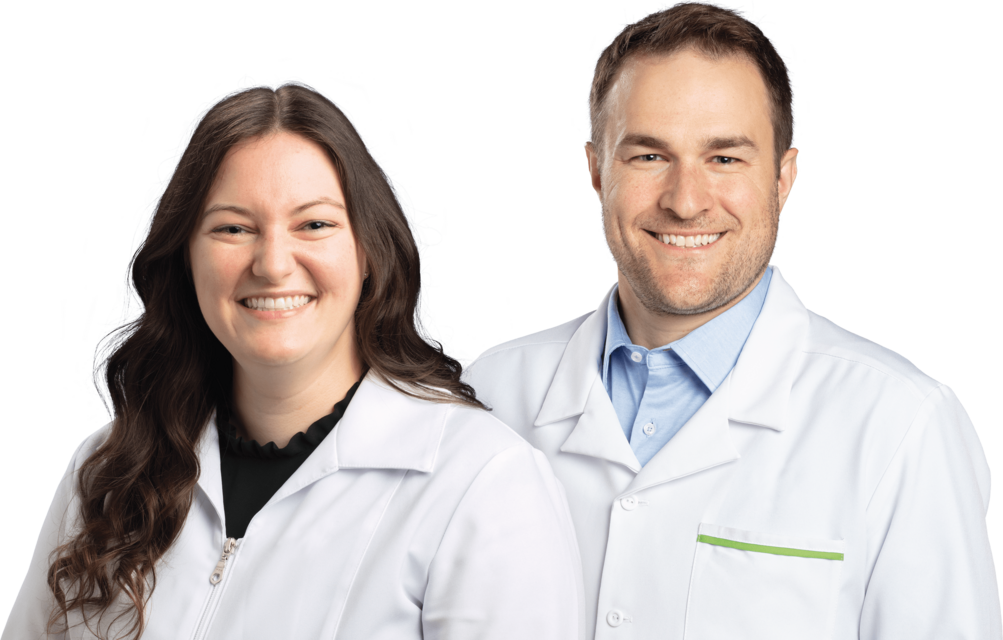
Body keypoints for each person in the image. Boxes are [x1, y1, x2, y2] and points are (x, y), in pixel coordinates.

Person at [459, 2, 1000, 638]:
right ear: (596, 171)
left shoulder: (901, 424)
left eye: (725, 159)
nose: (686, 202)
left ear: (784, 178)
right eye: (648, 156)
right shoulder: (491, 395)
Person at [5, 81, 585, 639]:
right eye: (234, 228)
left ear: (368, 252)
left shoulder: (483, 482)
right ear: (187, 258)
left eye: (314, 224)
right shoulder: (107, 468)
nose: (274, 264)